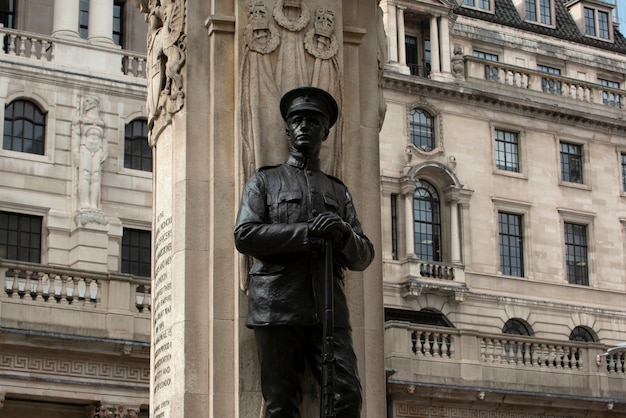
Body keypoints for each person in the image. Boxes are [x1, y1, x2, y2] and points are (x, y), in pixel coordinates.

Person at [234, 86, 374, 418]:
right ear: (286, 129)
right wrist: (307, 233)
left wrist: (341, 233)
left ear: (325, 131)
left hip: (327, 307)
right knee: (281, 404)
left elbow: (364, 255)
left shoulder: (337, 190)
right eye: (297, 121)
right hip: (276, 304)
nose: (304, 127)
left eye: (313, 122)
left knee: (347, 396)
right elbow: (245, 235)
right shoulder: (264, 181)